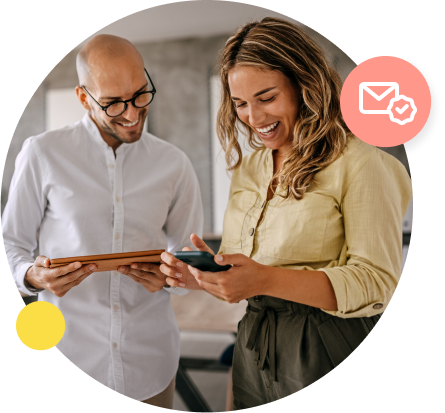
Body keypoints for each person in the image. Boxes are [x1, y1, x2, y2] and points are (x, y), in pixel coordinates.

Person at [160, 17, 413, 410]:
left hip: (329, 344)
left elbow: (377, 283)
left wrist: (264, 279)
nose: (253, 118)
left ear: (304, 84)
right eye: (240, 103)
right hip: (254, 343)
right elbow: (249, 270)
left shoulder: (361, 163)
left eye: (266, 98)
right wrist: (205, 276)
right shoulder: (249, 168)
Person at [3, 35, 203, 408]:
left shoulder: (175, 165)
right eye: (113, 104)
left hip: (150, 362)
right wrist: (33, 276)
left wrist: (174, 277)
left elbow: (188, 255)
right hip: (67, 349)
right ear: (84, 98)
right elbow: (11, 243)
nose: (131, 113)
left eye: (140, 94)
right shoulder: (42, 154)